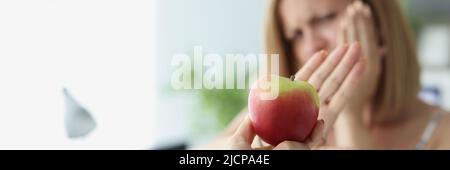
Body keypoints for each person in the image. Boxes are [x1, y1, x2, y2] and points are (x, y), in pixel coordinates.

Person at [203, 0, 450, 150]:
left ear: (377, 22)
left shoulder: (441, 132)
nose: (311, 44)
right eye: (296, 35)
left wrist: (350, 117)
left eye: (324, 18)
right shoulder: (286, 125)